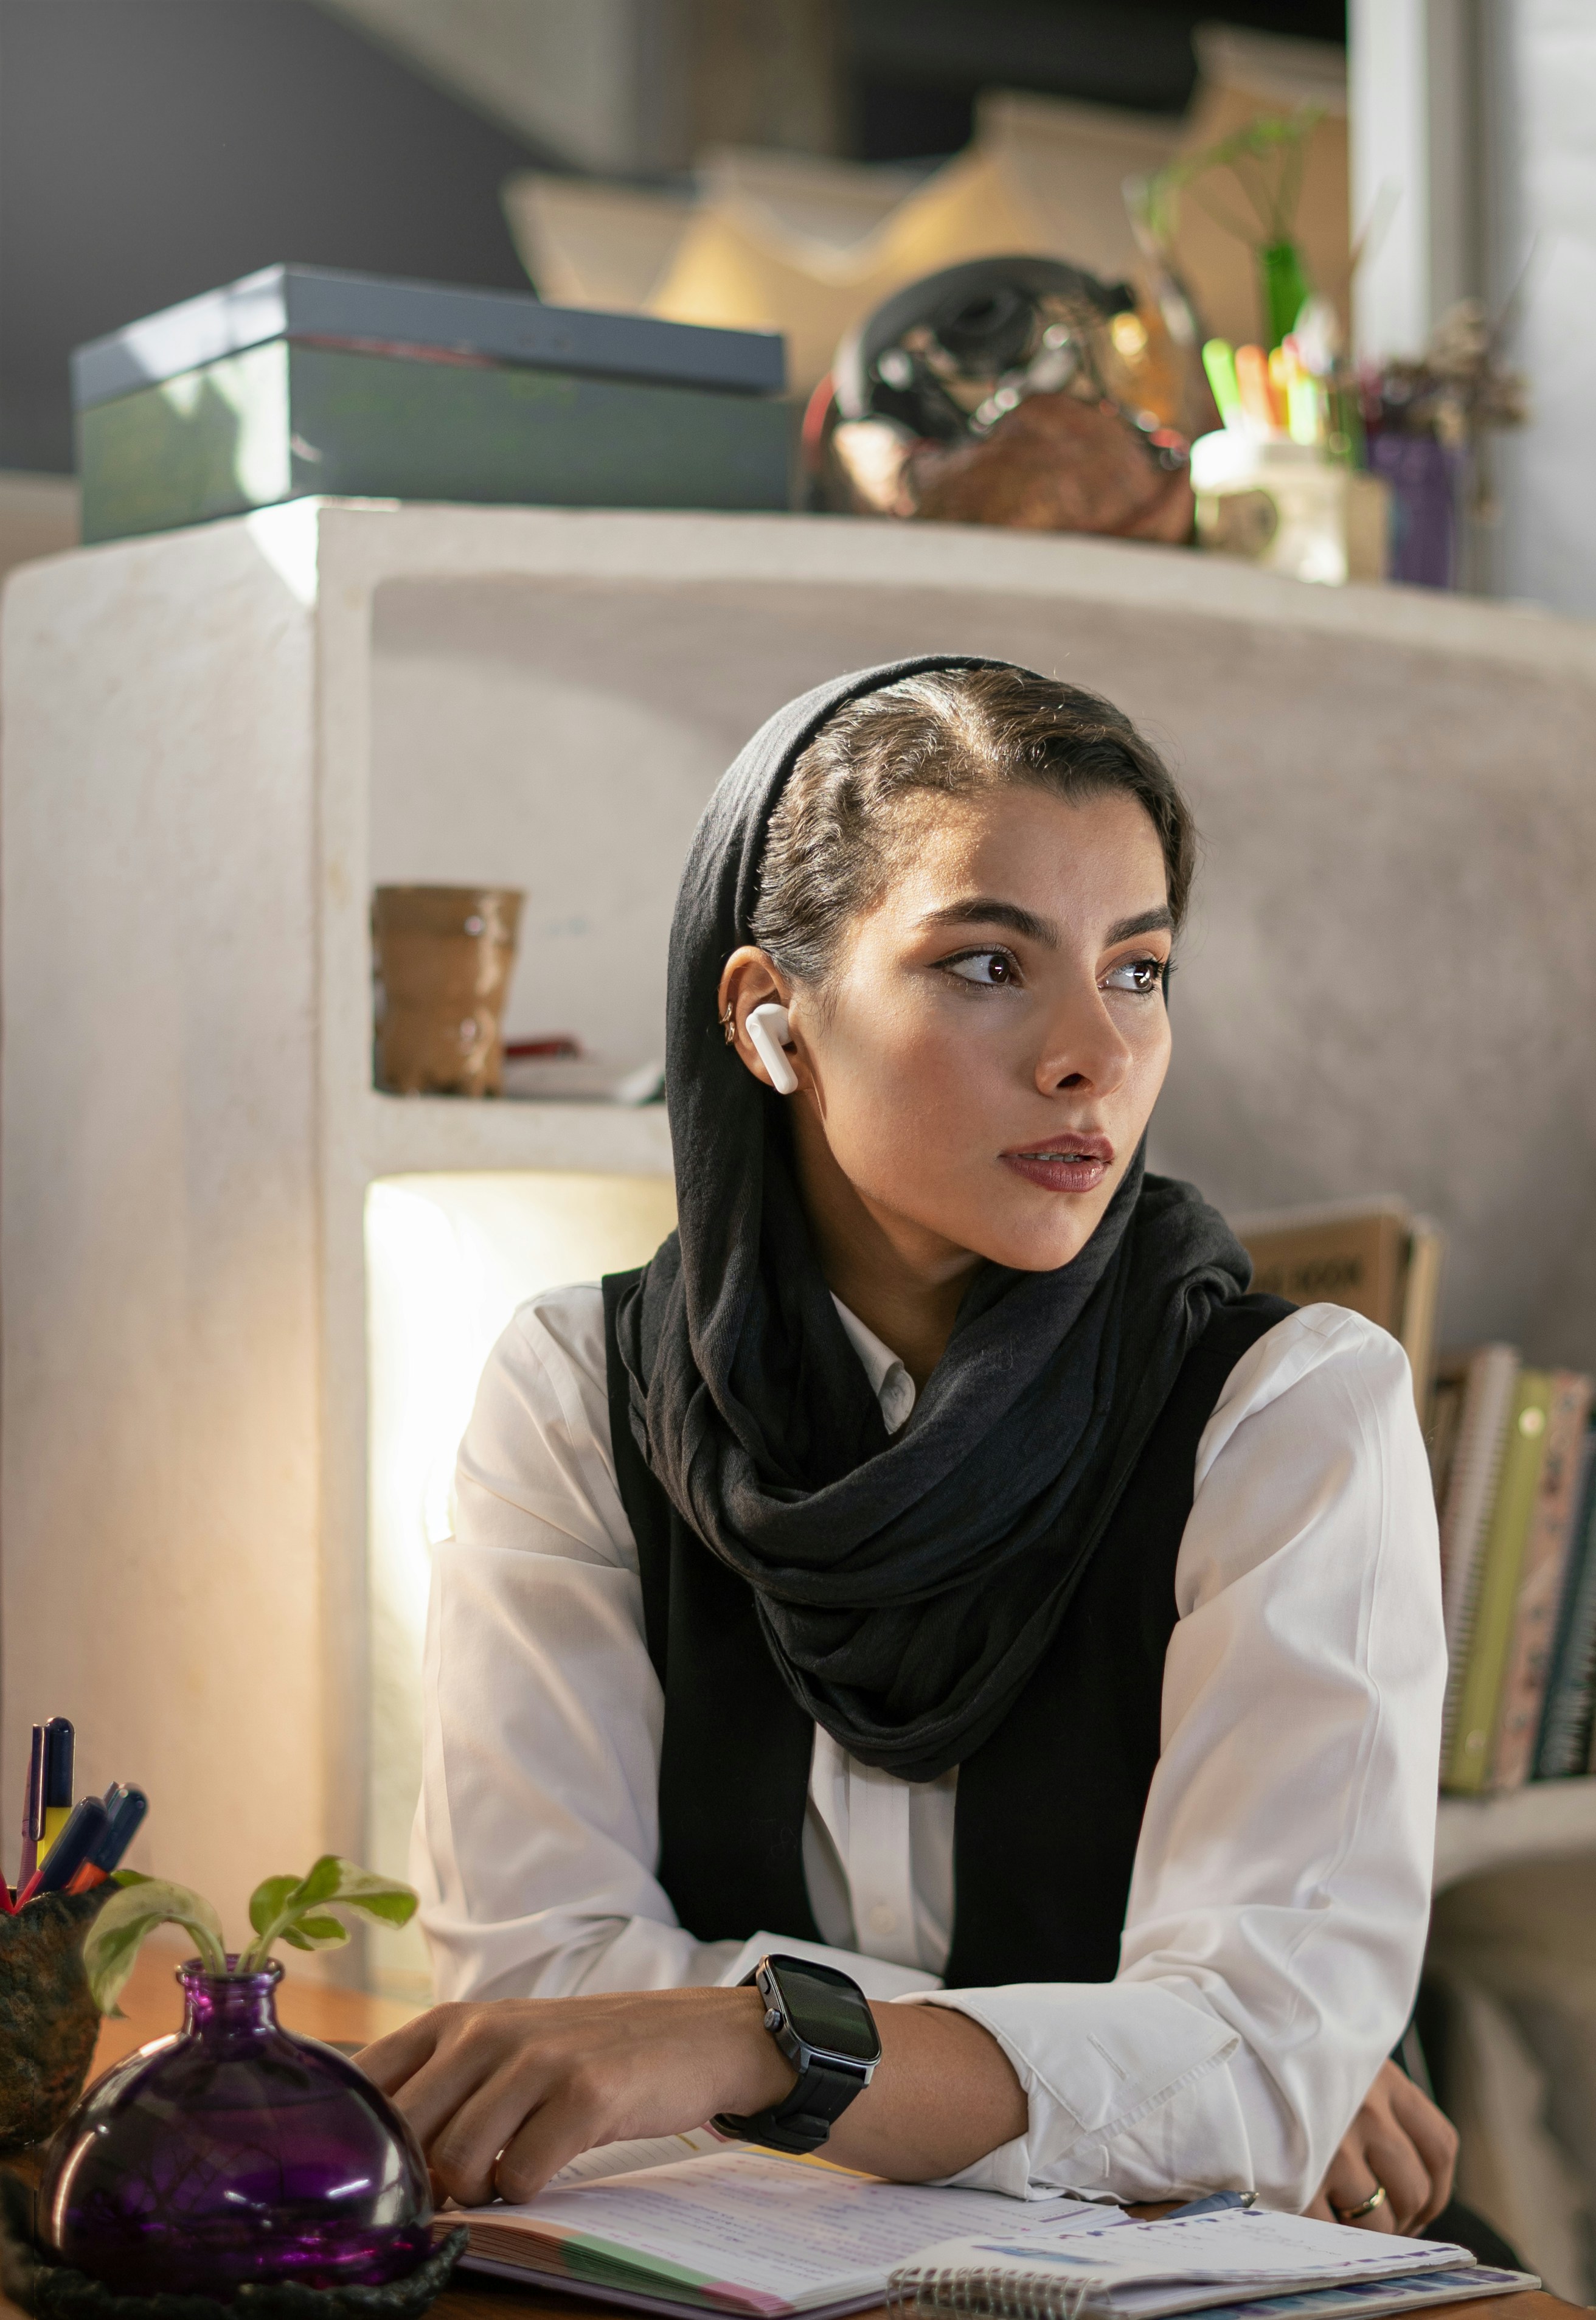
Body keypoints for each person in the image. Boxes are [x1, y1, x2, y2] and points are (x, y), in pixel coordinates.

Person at [359, 659, 1453, 2231]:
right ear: (768, 1016)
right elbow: (541, 1983)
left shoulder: (1289, 1408)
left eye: (1137, 971)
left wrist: (735, 2038)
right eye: (989, 965)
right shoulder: (573, 1389)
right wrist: (1146, 2066)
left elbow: (1259, 2079)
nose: (1093, 1053)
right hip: (743, 2271)